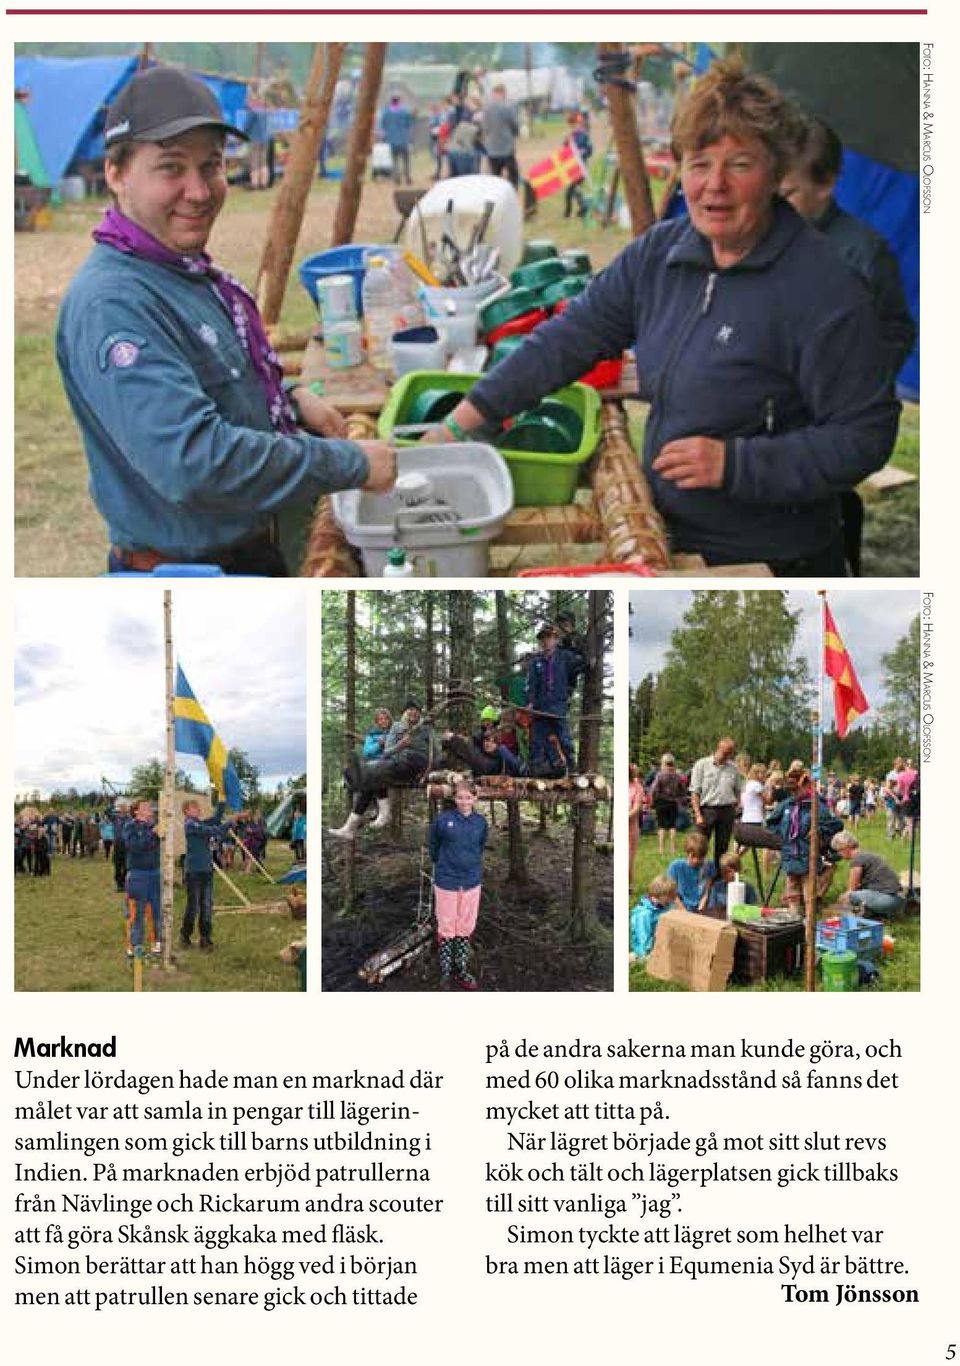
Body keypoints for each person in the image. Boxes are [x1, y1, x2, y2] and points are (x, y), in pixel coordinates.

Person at [428, 58, 899, 575]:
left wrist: (735, 464)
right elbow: (568, 339)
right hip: (670, 531)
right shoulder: (661, 254)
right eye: (699, 164)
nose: (713, 184)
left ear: (775, 173)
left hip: (773, 557)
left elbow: (863, 435)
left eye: (739, 164)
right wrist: (462, 422)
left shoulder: (824, 289)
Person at [56, 66, 397, 575]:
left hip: (245, 554)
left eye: (211, 166)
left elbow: (215, 381)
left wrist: (289, 399)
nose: (199, 191)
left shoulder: (179, 270)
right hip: (193, 576)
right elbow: (195, 462)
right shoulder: (114, 303)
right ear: (116, 173)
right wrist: (352, 464)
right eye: (171, 168)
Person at [329, 699, 432, 839]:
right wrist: (399, 745)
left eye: (416, 709)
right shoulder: (396, 727)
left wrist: (429, 770)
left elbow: (434, 751)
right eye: (410, 709)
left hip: (409, 765)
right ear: (405, 713)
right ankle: (352, 826)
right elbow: (386, 751)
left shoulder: (425, 728)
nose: (413, 712)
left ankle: (375, 814)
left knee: (371, 774)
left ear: (420, 713)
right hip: (391, 763)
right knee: (369, 778)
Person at [428, 780, 488, 989]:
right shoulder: (443, 820)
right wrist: (444, 864)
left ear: (475, 798)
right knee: (446, 924)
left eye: (468, 797)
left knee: (465, 925)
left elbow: (480, 847)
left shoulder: (480, 822)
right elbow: (433, 845)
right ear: (454, 798)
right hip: (446, 881)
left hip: (471, 880)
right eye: (460, 797)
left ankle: (461, 969)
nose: (464, 801)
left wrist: (468, 865)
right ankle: (445, 970)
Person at [766, 769, 841, 914]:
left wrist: (819, 830)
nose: (793, 793)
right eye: (790, 790)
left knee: (809, 892)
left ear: (806, 785)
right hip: (789, 854)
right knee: (792, 889)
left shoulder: (816, 805)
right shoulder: (787, 805)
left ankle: (809, 922)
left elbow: (836, 824)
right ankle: (794, 919)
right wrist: (783, 831)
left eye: (795, 790)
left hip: (808, 855)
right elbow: (770, 822)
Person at [526, 623, 583, 775]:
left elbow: (581, 662)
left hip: (558, 706)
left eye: (549, 637)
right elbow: (531, 684)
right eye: (543, 638)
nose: (546, 641)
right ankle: (536, 769)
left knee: (564, 738)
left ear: (556, 639)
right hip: (540, 707)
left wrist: (574, 640)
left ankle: (572, 766)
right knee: (536, 739)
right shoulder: (535, 662)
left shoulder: (564, 656)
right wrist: (530, 702)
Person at [180, 797, 227, 949]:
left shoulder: (199, 822)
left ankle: (205, 938)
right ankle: (185, 936)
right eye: (195, 807)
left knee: (206, 905)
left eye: (198, 807)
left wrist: (221, 801)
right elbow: (214, 830)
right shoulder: (190, 824)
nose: (198, 809)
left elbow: (216, 819)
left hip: (206, 870)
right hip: (193, 872)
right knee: (193, 906)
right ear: (186, 811)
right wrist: (229, 824)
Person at [689, 736, 743, 862]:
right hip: (707, 810)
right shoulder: (701, 765)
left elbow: (738, 791)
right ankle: (697, 875)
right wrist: (698, 814)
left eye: (730, 753)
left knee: (722, 848)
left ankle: (719, 877)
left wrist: (736, 809)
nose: (727, 756)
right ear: (718, 748)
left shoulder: (733, 769)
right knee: (699, 846)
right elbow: (695, 792)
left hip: (727, 811)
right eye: (725, 752)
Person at [830, 831, 904, 918]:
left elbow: (851, 890)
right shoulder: (867, 855)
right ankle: (875, 915)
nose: (839, 854)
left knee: (850, 896)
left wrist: (834, 910)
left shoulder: (857, 860)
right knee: (858, 897)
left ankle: (840, 919)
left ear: (846, 847)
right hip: (898, 899)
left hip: (887, 900)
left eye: (839, 851)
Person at [123, 798, 162, 958]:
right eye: (145, 806)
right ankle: (135, 946)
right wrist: (152, 834)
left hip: (154, 873)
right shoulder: (130, 826)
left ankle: (156, 945)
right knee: (136, 911)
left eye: (150, 806)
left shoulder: (154, 826)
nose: (150, 808)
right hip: (138, 874)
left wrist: (157, 833)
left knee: (155, 910)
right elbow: (134, 847)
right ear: (136, 811)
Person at [480, 83, 520, 188]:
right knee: (513, 175)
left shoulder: (486, 109)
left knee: (495, 177)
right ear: (503, 93)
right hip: (506, 147)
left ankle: (497, 197)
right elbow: (514, 124)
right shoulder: (508, 107)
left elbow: (485, 128)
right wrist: (515, 133)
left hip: (492, 148)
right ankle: (512, 194)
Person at [630, 873, 678, 959]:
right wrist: (650, 953)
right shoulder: (644, 914)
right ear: (659, 894)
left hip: (664, 943)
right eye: (669, 896)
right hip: (646, 950)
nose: (672, 898)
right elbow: (644, 938)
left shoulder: (667, 905)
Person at [667, 831, 716, 914]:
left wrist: (701, 907)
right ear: (687, 852)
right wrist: (684, 912)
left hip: (700, 908)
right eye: (693, 856)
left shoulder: (709, 866)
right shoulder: (676, 866)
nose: (696, 860)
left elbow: (706, 892)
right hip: (679, 907)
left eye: (700, 857)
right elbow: (673, 894)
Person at [649, 752, 687, 856]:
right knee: (672, 826)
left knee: (661, 826)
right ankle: (673, 849)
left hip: (661, 802)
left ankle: (661, 849)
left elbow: (653, 789)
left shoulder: (660, 775)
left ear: (664, 763)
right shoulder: (678, 776)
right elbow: (683, 790)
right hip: (673, 803)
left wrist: (652, 800)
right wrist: (680, 799)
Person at [703, 851, 759, 916]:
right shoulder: (716, 888)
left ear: (738, 870)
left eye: (728, 872)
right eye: (722, 871)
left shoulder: (748, 888)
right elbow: (711, 908)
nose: (724, 874)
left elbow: (754, 910)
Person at [563, 112, 593, 219]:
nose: (573, 126)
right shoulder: (570, 136)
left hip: (581, 168)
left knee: (571, 191)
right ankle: (583, 209)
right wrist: (566, 142)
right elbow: (565, 151)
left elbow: (589, 150)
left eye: (574, 124)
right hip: (572, 168)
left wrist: (582, 152)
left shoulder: (583, 135)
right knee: (575, 191)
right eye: (571, 124)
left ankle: (568, 213)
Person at [380, 93, 414, 186]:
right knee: (406, 160)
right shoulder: (404, 112)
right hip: (403, 140)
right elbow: (409, 125)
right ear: (399, 101)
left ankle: (397, 179)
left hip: (392, 140)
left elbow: (383, 127)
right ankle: (407, 177)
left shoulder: (386, 113)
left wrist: (385, 136)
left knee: (395, 161)